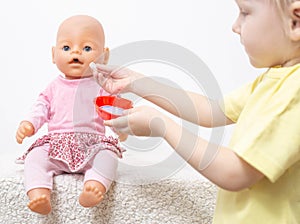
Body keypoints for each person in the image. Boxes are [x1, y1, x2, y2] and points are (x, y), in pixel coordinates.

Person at [91, 1, 300, 223]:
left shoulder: (294, 92)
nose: (235, 26)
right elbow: (211, 111)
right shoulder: (275, 78)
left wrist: (161, 125)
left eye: (245, 13)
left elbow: (235, 173)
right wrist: (136, 83)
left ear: (295, 22)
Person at [15, 15, 125, 215]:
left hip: (93, 145)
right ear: (53, 54)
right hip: (57, 145)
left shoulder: (102, 85)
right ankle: (39, 194)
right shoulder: (54, 87)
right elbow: (41, 106)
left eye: (87, 48)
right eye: (66, 48)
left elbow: (113, 110)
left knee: (108, 157)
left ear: (104, 56)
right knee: (36, 157)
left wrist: (122, 127)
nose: (75, 52)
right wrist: (29, 124)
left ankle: (94, 187)